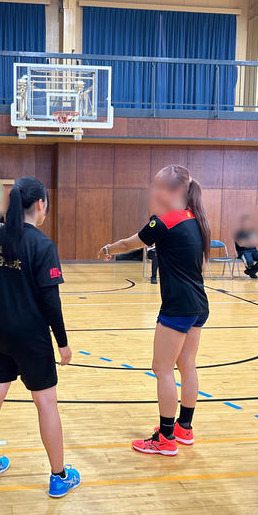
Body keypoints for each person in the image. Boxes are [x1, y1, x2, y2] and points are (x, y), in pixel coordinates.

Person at [0, 176, 80, 498]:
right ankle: (59, 476)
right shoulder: (42, 245)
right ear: (41, 204)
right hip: (31, 338)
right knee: (46, 403)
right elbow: (51, 301)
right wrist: (62, 342)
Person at [98, 164, 210, 456]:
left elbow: (129, 243)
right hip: (198, 304)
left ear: (175, 190)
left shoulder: (165, 221)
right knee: (187, 365)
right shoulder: (195, 218)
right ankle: (184, 428)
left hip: (178, 307)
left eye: (160, 186)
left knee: (162, 369)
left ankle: (165, 438)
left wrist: (108, 249)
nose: (155, 192)